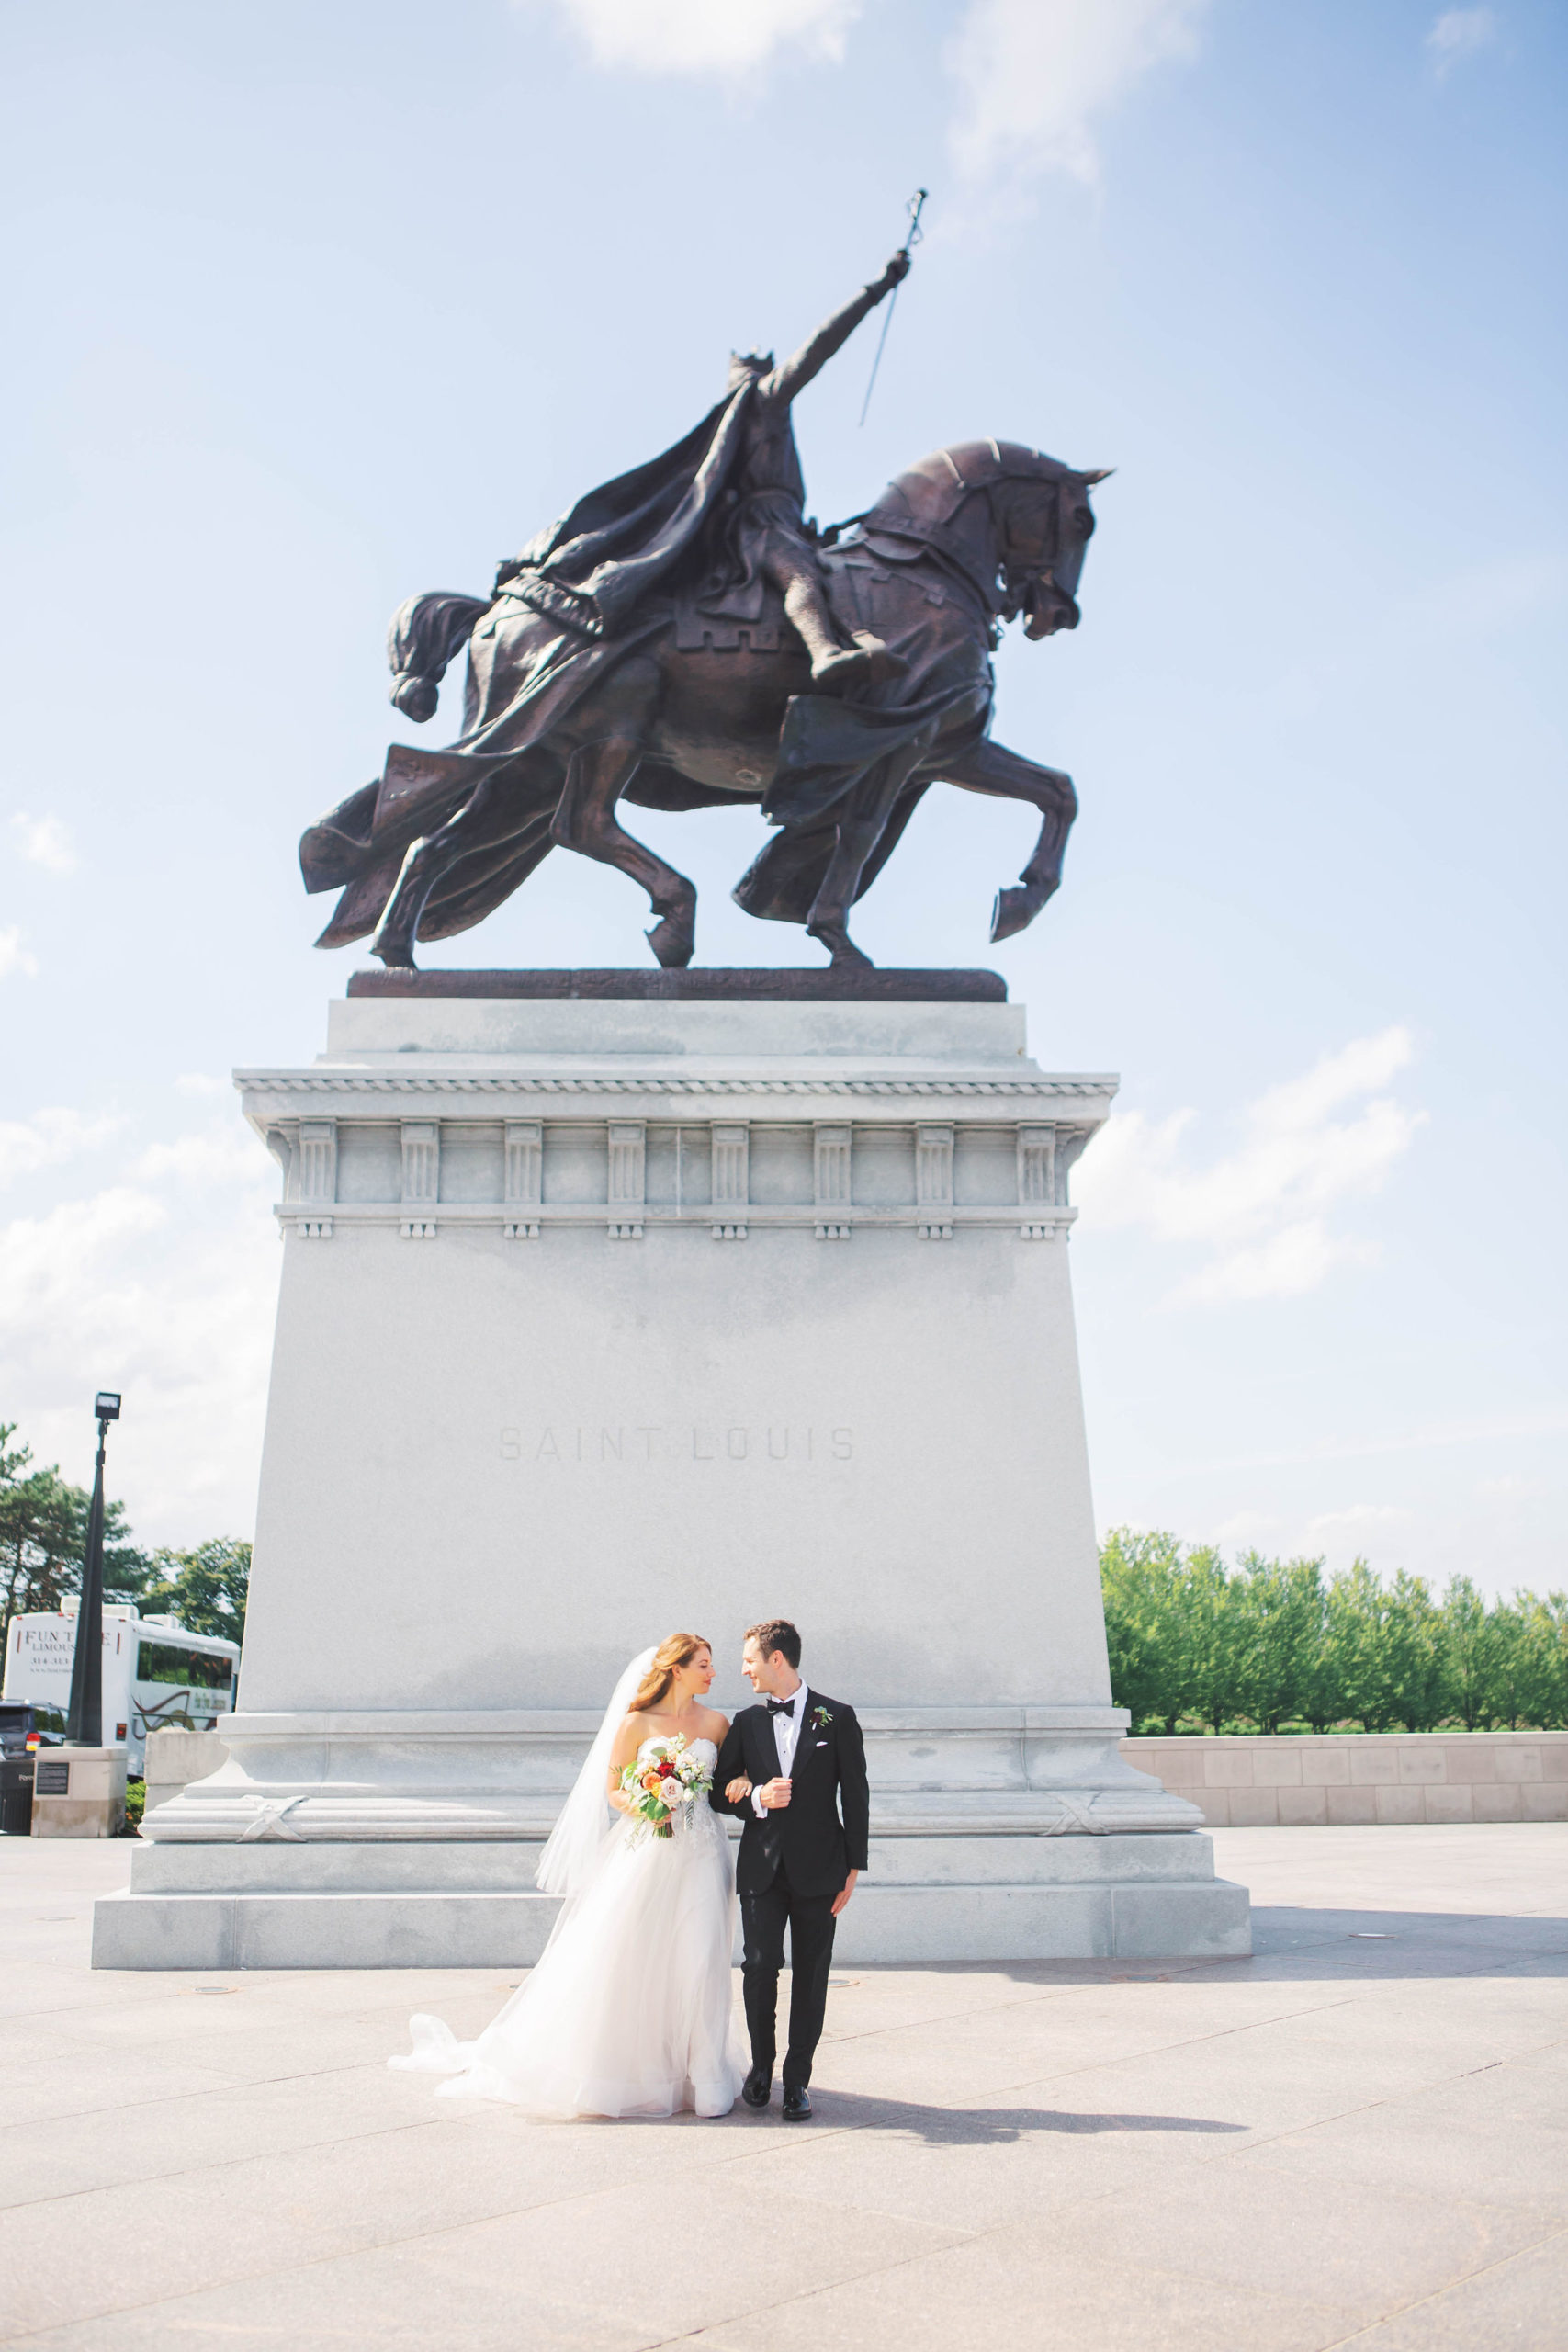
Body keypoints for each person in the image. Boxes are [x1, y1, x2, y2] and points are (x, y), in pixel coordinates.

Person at [389, 1634, 748, 2119]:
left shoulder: (717, 1723)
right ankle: (631, 2071)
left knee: (701, 1957)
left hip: (704, 1854)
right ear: (676, 1668)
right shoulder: (635, 1723)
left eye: (712, 1664)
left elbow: (726, 1786)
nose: (712, 1672)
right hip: (646, 1853)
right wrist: (651, 1805)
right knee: (635, 1958)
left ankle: (704, 2076)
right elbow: (615, 1791)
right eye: (703, 1664)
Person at [705, 252, 911, 692]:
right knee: (800, 574)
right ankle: (824, 652)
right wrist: (876, 290)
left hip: (778, 523)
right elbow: (820, 345)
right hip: (762, 527)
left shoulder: (727, 424)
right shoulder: (764, 400)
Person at [710, 1619, 870, 2121]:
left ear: (776, 1659)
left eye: (750, 1660)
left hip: (822, 1870)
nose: (744, 1670)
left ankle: (798, 2081)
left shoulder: (837, 1717)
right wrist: (756, 1795)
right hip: (761, 1869)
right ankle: (761, 2069)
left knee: (812, 1973)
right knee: (759, 1966)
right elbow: (718, 1792)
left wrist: (855, 1865)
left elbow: (857, 1794)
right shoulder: (747, 1722)